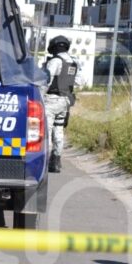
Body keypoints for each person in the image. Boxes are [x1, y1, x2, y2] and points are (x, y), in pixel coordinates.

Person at [42, 35, 83, 173]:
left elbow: (46, 81)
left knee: (46, 132)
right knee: (59, 130)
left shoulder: (55, 61)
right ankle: (56, 161)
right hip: (65, 101)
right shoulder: (74, 62)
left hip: (51, 100)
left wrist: (39, 97)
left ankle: (44, 162)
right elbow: (79, 82)